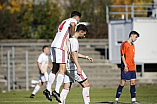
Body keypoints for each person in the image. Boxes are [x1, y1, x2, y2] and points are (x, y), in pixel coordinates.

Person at [43, 11, 81, 102]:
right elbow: (72, 24)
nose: (78, 21)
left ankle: (48, 89)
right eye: (79, 19)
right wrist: (72, 35)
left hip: (53, 45)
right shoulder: (73, 21)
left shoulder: (64, 21)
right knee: (62, 69)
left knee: (54, 69)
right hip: (61, 46)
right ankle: (56, 91)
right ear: (77, 18)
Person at [59, 24, 93, 104]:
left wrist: (86, 57)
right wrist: (78, 67)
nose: (84, 36)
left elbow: (74, 53)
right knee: (86, 85)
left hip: (66, 66)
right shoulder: (74, 40)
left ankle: (60, 103)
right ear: (80, 32)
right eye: (84, 34)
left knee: (66, 87)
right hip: (72, 66)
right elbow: (74, 55)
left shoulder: (69, 39)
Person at [113, 31, 142, 104]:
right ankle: (116, 100)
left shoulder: (133, 45)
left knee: (133, 83)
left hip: (132, 67)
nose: (135, 39)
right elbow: (122, 56)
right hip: (126, 67)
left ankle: (133, 100)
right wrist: (125, 65)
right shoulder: (124, 44)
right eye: (135, 37)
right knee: (122, 83)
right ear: (131, 35)